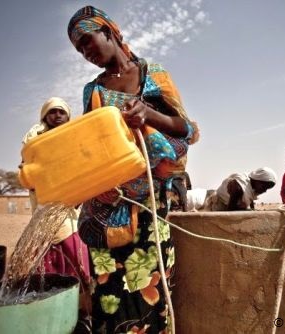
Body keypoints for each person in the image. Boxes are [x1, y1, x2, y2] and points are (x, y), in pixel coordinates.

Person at [67, 6, 198, 333]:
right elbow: (90, 145)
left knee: (153, 295)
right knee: (110, 299)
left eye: (88, 41)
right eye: (79, 49)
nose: (86, 53)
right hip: (107, 211)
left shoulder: (152, 72)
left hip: (152, 209)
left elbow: (188, 131)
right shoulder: (93, 91)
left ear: (108, 32)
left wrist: (148, 115)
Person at [21, 96, 91, 301]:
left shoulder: (73, 135)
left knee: (72, 242)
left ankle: (80, 301)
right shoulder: (35, 136)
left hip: (71, 201)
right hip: (46, 203)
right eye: (53, 111)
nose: (57, 116)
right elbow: (28, 166)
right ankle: (55, 297)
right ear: (45, 115)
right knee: (51, 246)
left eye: (62, 112)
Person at [205, 167, 277, 211]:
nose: (264, 191)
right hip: (210, 201)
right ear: (258, 179)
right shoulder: (238, 187)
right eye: (264, 187)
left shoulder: (252, 187)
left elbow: (250, 200)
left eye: (267, 189)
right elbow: (230, 211)